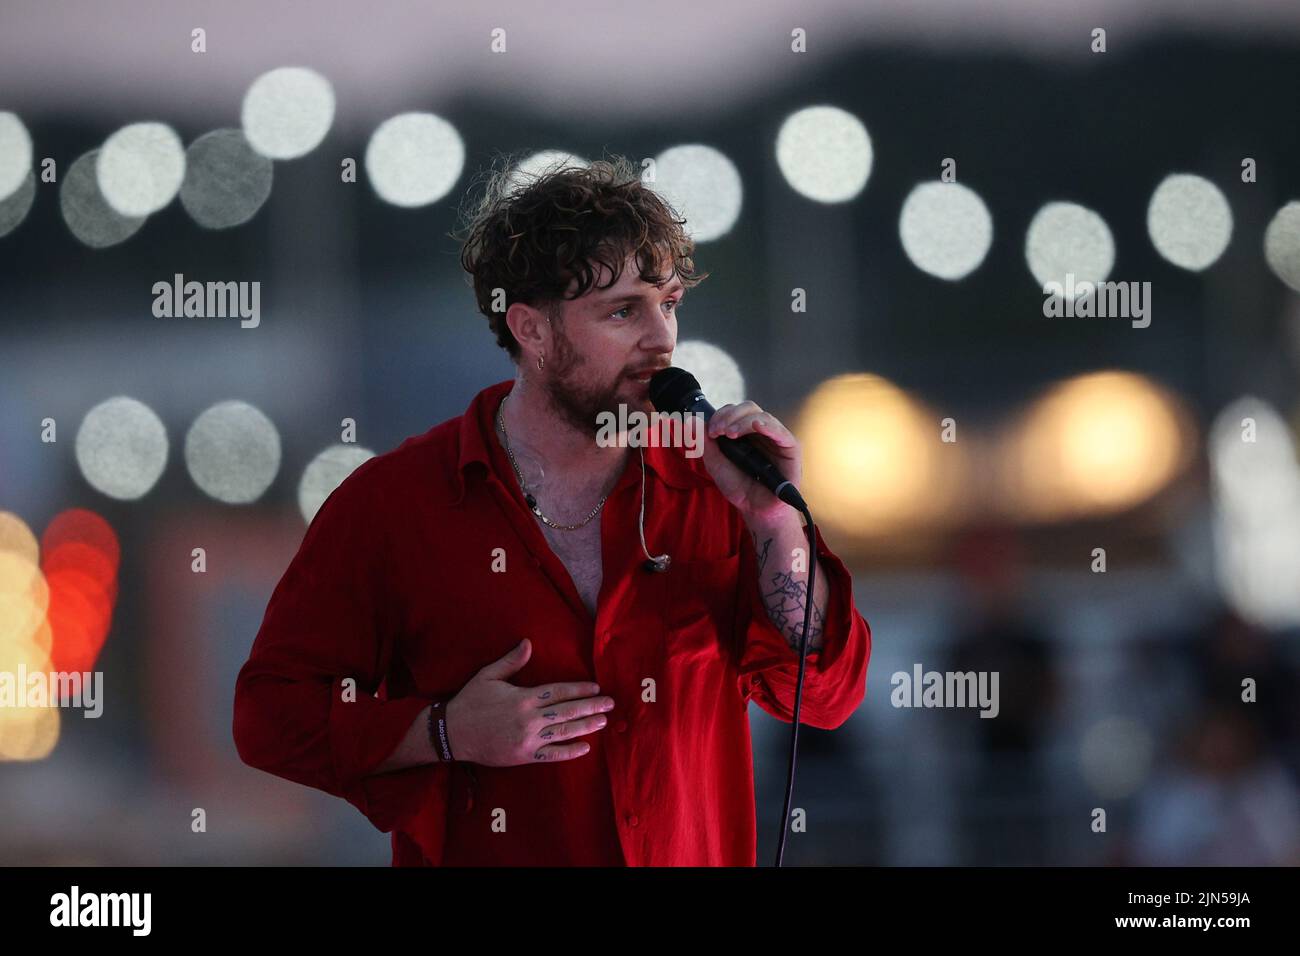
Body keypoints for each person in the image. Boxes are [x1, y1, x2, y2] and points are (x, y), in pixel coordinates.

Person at [232, 154, 873, 865]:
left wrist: (776, 524)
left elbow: (825, 695)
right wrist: (442, 732)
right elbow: (270, 715)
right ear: (532, 331)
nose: (661, 338)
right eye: (623, 310)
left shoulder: (715, 486)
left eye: (669, 303)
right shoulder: (394, 503)